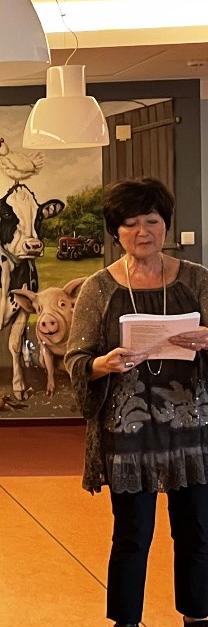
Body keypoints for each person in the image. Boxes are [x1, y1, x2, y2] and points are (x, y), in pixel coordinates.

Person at [65, 178, 208, 627]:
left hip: (193, 428)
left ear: (166, 224)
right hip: (129, 434)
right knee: (131, 537)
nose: (142, 232)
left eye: (151, 221)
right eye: (130, 224)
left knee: (198, 534)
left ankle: (199, 617)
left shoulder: (198, 279)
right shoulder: (97, 288)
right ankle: (126, 622)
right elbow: (75, 360)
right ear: (115, 232)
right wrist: (103, 364)